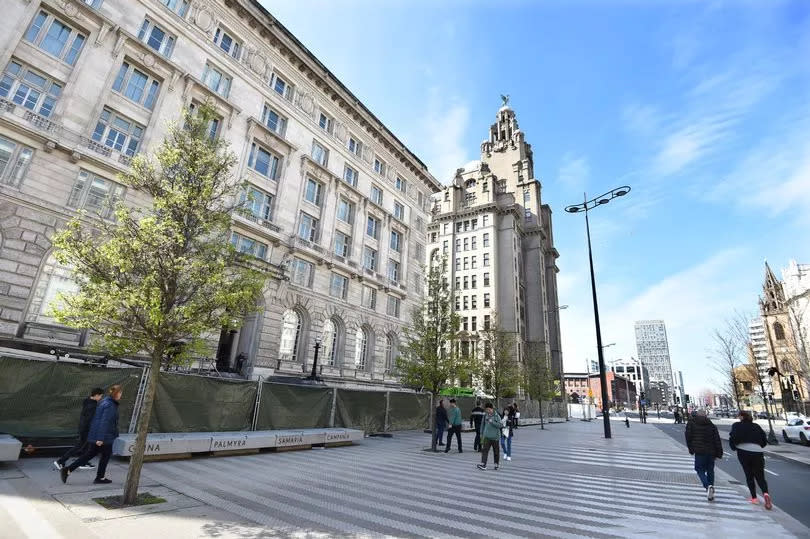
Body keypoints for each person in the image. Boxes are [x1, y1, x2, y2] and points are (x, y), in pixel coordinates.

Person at [60, 385, 123, 485]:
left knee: (89, 454)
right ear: (116, 393)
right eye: (120, 393)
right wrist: (100, 438)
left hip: (97, 434)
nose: (121, 395)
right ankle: (100, 477)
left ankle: (68, 470)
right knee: (105, 456)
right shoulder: (110, 405)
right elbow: (105, 421)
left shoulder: (104, 402)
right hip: (104, 436)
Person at [53, 387, 104, 471]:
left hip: (83, 428)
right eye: (100, 396)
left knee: (86, 446)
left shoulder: (87, 401)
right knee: (79, 446)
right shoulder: (93, 405)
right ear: (96, 395)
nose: (101, 398)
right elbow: (90, 420)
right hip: (86, 429)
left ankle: (83, 462)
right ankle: (61, 461)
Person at [729, 410, 771, 509]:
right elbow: (764, 440)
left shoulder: (736, 425)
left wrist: (735, 447)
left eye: (739, 416)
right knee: (760, 476)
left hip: (743, 451)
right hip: (757, 452)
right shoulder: (756, 426)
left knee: (749, 475)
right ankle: (766, 494)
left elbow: (733, 438)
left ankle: (754, 498)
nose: (738, 417)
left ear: (742, 417)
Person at [684, 408, 723, 501]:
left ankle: (707, 486)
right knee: (710, 470)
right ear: (705, 416)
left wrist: (691, 449)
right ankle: (711, 488)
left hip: (699, 451)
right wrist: (719, 452)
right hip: (711, 451)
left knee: (699, 469)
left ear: (697, 415)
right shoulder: (711, 425)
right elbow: (717, 440)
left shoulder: (692, 423)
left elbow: (688, 437)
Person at [477, 402, 502, 471]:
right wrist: (481, 434)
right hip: (487, 436)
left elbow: (500, 425)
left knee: (496, 451)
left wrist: (492, 422)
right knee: (484, 451)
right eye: (486, 410)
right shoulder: (485, 415)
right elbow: (482, 425)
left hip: (495, 437)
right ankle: (483, 464)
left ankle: (496, 464)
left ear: (492, 409)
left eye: (488, 409)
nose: (487, 411)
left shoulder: (497, 416)